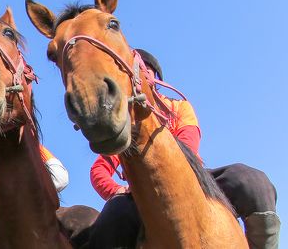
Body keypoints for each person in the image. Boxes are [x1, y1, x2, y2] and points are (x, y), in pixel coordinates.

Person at [87, 48, 279, 249]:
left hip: (193, 180)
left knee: (251, 182)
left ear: (155, 77)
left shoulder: (178, 108)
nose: (139, 73)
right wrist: (117, 189)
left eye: (145, 69)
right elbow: (99, 170)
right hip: (141, 192)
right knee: (110, 222)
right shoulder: (125, 124)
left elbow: (188, 145)